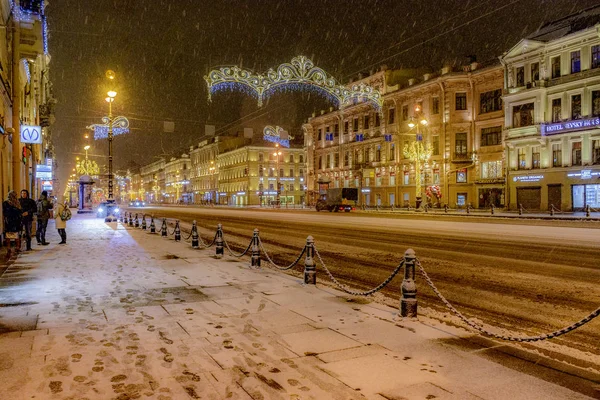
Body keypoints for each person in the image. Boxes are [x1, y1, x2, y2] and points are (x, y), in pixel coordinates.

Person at [3, 191, 23, 260]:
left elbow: (5, 212)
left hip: (11, 221)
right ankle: (15, 247)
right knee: (14, 234)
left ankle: (12, 248)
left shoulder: (10, 203)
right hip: (14, 221)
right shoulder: (14, 203)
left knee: (11, 235)